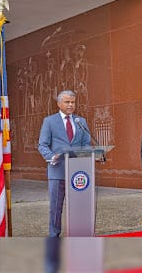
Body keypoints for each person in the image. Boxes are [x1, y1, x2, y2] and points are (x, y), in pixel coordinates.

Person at [38, 90, 91, 237]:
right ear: (59, 103)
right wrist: (51, 156)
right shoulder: (49, 121)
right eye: (67, 102)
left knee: (78, 206)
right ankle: (54, 236)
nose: (70, 105)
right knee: (56, 208)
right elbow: (42, 144)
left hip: (78, 172)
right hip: (57, 170)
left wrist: (88, 154)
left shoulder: (81, 121)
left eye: (73, 102)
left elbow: (86, 144)